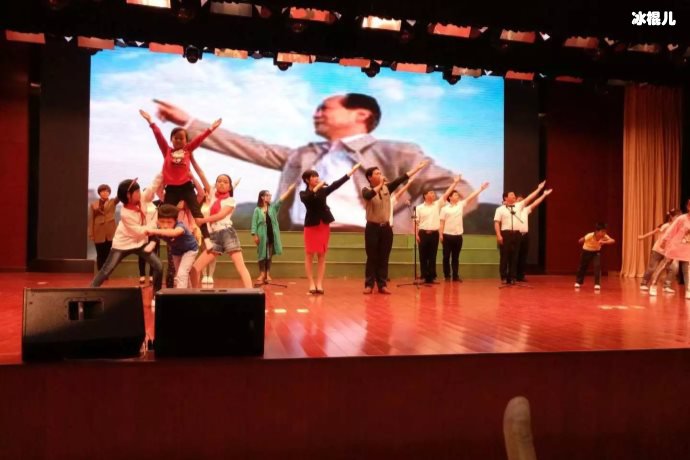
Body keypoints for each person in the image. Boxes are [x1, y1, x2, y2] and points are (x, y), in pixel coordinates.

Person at [153, 94, 473, 233]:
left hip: (367, 235)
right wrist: (189, 122)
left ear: (361, 114)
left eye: (325, 108)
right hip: (303, 231)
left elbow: (460, 189)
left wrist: (407, 222)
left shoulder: (396, 152)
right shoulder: (304, 154)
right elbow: (252, 148)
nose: (316, 114)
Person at [138, 109, 221, 250]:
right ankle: (154, 241)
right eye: (175, 138)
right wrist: (150, 121)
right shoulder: (167, 151)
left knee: (197, 213)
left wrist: (211, 128)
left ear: (186, 141)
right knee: (163, 214)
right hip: (171, 189)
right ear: (171, 139)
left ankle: (207, 239)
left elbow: (199, 139)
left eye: (181, 138)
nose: (178, 140)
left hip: (186, 187)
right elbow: (158, 135)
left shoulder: (188, 150)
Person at [362, 161, 429, 294]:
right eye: (377, 173)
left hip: (386, 228)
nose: (380, 175)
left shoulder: (387, 188)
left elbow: (401, 179)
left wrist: (417, 168)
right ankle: (369, 284)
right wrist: (380, 185)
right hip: (372, 228)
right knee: (372, 256)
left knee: (384, 256)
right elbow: (369, 196)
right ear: (370, 177)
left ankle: (382, 284)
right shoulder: (366, 189)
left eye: (380, 173)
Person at [90, 176, 163, 292]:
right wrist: (154, 229)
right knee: (106, 270)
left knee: (158, 266)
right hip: (122, 244)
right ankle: (88, 293)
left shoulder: (141, 198)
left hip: (140, 243)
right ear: (128, 195)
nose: (140, 193)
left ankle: (157, 295)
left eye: (139, 190)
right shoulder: (125, 213)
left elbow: (153, 186)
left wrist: (164, 171)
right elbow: (139, 231)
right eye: (137, 191)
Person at [300, 163, 362, 294]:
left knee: (322, 255)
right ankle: (311, 283)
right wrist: (318, 186)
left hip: (323, 225)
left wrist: (350, 172)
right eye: (313, 177)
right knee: (309, 254)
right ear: (307, 180)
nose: (317, 178)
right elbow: (309, 199)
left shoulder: (322, 191)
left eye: (317, 176)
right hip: (311, 226)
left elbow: (336, 184)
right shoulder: (303, 193)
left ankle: (319, 284)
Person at [189, 174, 253, 289]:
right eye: (219, 181)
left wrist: (203, 220)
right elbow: (202, 176)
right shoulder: (212, 196)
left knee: (240, 266)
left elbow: (220, 215)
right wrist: (191, 170)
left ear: (230, 187)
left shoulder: (230, 200)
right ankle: (194, 294)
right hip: (214, 236)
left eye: (225, 182)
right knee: (195, 268)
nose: (222, 183)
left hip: (227, 233)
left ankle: (251, 294)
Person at [415, 176, 463, 284]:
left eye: (433, 193)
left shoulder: (437, 204)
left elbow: (446, 194)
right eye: (431, 193)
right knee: (423, 256)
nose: (433, 194)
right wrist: (416, 234)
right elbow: (416, 222)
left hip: (434, 234)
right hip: (423, 233)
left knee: (433, 256)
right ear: (425, 195)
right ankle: (423, 276)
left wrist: (455, 183)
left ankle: (432, 277)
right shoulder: (419, 208)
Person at [439, 181, 490, 282]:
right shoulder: (444, 209)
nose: (458, 196)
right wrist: (440, 234)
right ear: (450, 197)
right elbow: (441, 223)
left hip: (458, 236)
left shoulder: (460, 205)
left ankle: (455, 276)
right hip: (447, 235)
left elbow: (471, 196)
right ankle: (447, 275)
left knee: (455, 257)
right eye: (455, 195)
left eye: (458, 195)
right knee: (446, 257)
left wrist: (481, 188)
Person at [251, 184, 297, 283]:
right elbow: (254, 223)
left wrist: (289, 190)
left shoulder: (273, 208)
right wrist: (254, 235)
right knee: (261, 255)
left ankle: (267, 274)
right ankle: (262, 274)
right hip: (262, 235)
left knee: (269, 255)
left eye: (270, 195)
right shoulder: (257, 210)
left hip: (271, 235)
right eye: (267, 195)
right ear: (262, 197)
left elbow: (280, 200)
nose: (269, 197)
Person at [146, 204, 199, 288]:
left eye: (169, 222)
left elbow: (174, 233)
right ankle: (189, 292)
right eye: (162, 221)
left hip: (190, 250)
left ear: (175, 221)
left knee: (182, 273)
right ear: (158, 221)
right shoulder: (158, 229)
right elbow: (155, 238)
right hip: (176, 251)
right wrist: (151, 244)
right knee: (181, 274)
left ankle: (180, 295)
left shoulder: (180, 226)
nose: (165, 225)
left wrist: (154, 231)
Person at [647, 202, 690, 298]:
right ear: (688, 207)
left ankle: (688, 290)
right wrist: (664, 241)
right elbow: (671, 230)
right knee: (665, 264)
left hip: (687, 247)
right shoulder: (681, 218)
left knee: (687, 269)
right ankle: (653, 285)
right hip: (676, 245)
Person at [514, 185, 553, 282]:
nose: (522, 202)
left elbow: (535, 203)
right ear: (515, 202)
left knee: (523, 256)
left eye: (522, 200)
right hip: (516, 235)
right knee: (515, 255)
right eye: (519, 200)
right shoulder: (513, 210)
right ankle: (513, 275)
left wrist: (544, 195)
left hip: (525, 235)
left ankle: (521, 276)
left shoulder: (526, 210)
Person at [639, 209, 681, 292]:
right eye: (676, 217)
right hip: (658, 250)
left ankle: (667, 286)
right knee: (652, 268)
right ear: (671, 217)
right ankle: (644, 283)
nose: (678, 219)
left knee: (674, 268)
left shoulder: (678, 228)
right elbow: (654, 231)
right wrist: (643, 237)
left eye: (679, 217)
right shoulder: (666, 226)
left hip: (669, 252)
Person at [574, 223, 615, 290]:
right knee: (582, 267)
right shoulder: (590, 235)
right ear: (597, 231)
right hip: (586, 251)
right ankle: (578, 282)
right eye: (602, 231)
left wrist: (604, 242)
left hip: (596, 252)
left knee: (597, 266)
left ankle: (597, 284)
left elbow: (612, 240)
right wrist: (581, 240)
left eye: (605, 231)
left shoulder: (604, 236)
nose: (604, 233)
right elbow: (581, 240)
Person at [494, 192, 523, 285]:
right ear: (505, 198)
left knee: (515, 256)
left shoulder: (518, 206)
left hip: (517, 234)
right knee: (504, 256)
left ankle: (512, 277)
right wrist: (499, 235)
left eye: (514, 195)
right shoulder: (500, 209)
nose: (514, 196)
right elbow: (497, 223)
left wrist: (539, 189)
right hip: (505, 234)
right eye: (511, 195)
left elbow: (529, 198)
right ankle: (503, 277)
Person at [88, 184, 118, 270]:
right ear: (99, 193)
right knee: (100, 254)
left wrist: (127, 186)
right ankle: (100, 273)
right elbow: (91, 220)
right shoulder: (94, 205)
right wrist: (91, 234)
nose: (105, 193)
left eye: (107, 191)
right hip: (98, 233)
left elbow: (119, 196)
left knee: (109, 255)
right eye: (103, 191)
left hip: (110, 233)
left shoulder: (112, 202)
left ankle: (107, 273)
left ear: (109, 193)